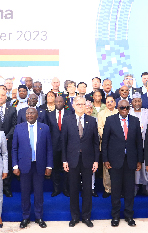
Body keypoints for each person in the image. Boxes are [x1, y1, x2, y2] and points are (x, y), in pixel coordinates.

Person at [102, 99, 144, 226]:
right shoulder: (110, 120)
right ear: (118, 108)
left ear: (129, 108)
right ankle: (115, 216)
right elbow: (105, 142)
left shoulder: (135, 121)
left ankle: (129, 216)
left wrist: (139, 160)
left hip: (130, 160)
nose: (124, 110)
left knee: (129, 190)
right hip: (115, 161)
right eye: (122, 108)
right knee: (115, 189)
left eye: (126, 107)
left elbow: (138, 142)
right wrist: (105, 159)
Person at [62, 97, 99, 227]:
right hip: (72, 160)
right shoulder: (67, 120)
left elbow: (96, 142)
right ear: (73, 105)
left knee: (87, 190)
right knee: (73, 189)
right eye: (78, 104)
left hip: (88, 160)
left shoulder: (92, 120)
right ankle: (75, 217)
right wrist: (64, 160)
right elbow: (64, 142)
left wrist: (96, 160)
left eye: (83, 104)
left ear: (86, 106)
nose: (80, 106)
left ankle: (86, 217)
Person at [13, 107, 52, 229]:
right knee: (24, 193)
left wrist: (49, 165)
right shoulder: (18, 128)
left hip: (39, 165)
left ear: (37, 115)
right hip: (24, 166)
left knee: (39, 192)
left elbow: (49, 149)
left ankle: (39, 216)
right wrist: (15, 165)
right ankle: (25, 217)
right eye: (27, 113)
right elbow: (14, 148)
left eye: (32, 113)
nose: (29, 115)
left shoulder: (44, 128)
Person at [0, 86, 17, 198]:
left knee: (7, 165)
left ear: (6, 96)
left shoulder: (12, 109)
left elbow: (15, 125)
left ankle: (6, 188)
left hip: (8, 141)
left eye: (3, 95)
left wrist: (7, 137)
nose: (1, 97)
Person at [47, 93, 69, 197]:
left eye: (60, 102)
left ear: (64, 103)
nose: (58, 103)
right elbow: (48, 131)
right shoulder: (49, 114)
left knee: (66, 169)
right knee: (55, 169)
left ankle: (65, 189)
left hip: (67, 146)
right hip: (54, 146)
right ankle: (56, 189)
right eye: (57, 102)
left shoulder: (70, 113)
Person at [97, 94, 118, 197]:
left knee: (118, 167)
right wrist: (107, 137)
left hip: (118, 145)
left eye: (111, 101)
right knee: (106, 167)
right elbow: (100, 127)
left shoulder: (119, 112)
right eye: (108, 101)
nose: (110, 103)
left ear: (115, 102)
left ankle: (117, 188)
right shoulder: (101, 114)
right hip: (106, 143)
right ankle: (107, 189)